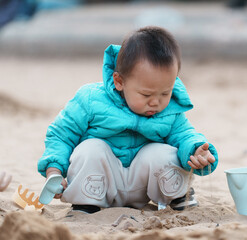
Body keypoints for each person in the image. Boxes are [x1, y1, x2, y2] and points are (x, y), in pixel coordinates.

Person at [37, 26, 218, 214]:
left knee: (163, 152)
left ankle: (177, 195)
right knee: (90, 148)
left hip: (143, 184)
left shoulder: (170, 109)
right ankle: (86, 203)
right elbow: (61, 134)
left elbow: (184, 134)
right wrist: (54, 171)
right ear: (119, 82)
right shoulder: (90, 99)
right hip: (99, 183)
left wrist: (197, 150)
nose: (156, 102)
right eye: (146, 94)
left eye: (165, 92)